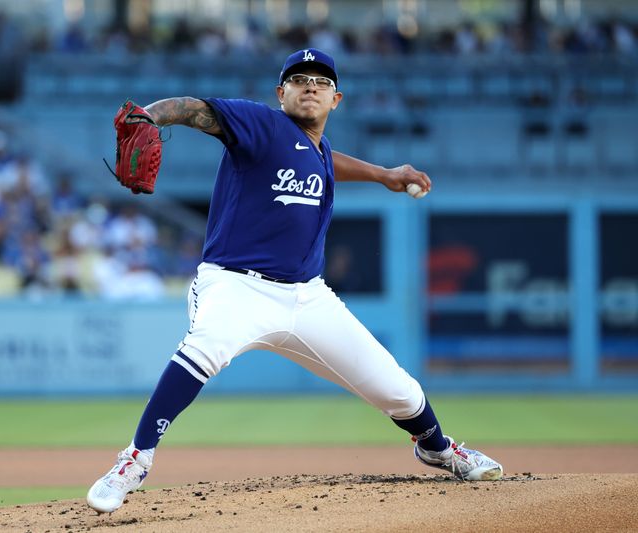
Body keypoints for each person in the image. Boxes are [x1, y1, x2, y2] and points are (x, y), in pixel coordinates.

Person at [87, 48, 503, 514]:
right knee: (203, 348)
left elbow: (327, 158)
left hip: (307, 297)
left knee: (400, 390)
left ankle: (437, 449)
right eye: (299, 78)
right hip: (236, 286)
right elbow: (194, 109)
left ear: (336, 99)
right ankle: (135, 460)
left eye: (321, 82)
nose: (311, 86)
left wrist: (384, 174)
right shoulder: (260, 126)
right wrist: (150, 114)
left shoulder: (316, 148)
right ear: (280, 93)